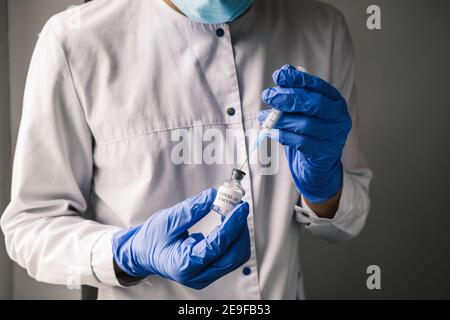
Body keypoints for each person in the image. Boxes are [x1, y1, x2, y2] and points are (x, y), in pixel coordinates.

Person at [1, 0, 372, 299]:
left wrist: (325, 187)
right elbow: (30, 225)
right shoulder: (76, 40)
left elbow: (348, 225)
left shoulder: (322, 29)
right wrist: (126, 253)